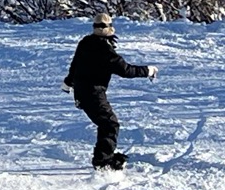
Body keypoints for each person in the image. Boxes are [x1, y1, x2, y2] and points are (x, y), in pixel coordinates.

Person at [63, 13, 156, 169]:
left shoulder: (85, 42)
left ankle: (105, 156)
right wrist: (148, 71)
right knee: (109, 124)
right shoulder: (104, 49)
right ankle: (103, 162)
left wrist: (68, 82)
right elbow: (125, 70)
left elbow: (75, 64)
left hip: (82, 91)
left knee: (106, 123)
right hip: (92, 93)